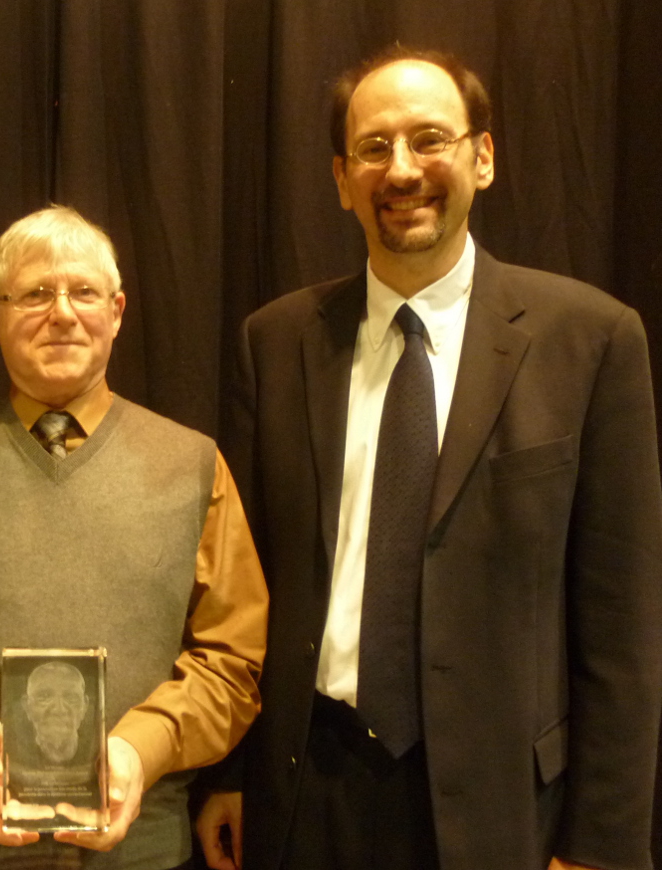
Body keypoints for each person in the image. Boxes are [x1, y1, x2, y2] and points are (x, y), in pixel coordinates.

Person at [198, 46, 662, 870]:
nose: (402, 169)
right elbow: (240, 591)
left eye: (430, 139)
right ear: (342, 179)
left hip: (507, 811)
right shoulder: (274, 344)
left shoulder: (591, 340)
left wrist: (604, 845)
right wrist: (227, 774)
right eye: (374, 148)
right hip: (306, 796)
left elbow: (622, 626)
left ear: (483, 157)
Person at [0, 205, 269, 870]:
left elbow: (234, 662)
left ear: (117, 311)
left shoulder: (194, 464)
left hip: (140, 851)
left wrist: (142, 749)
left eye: (84, 292)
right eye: (34, 294)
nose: (62, 313)